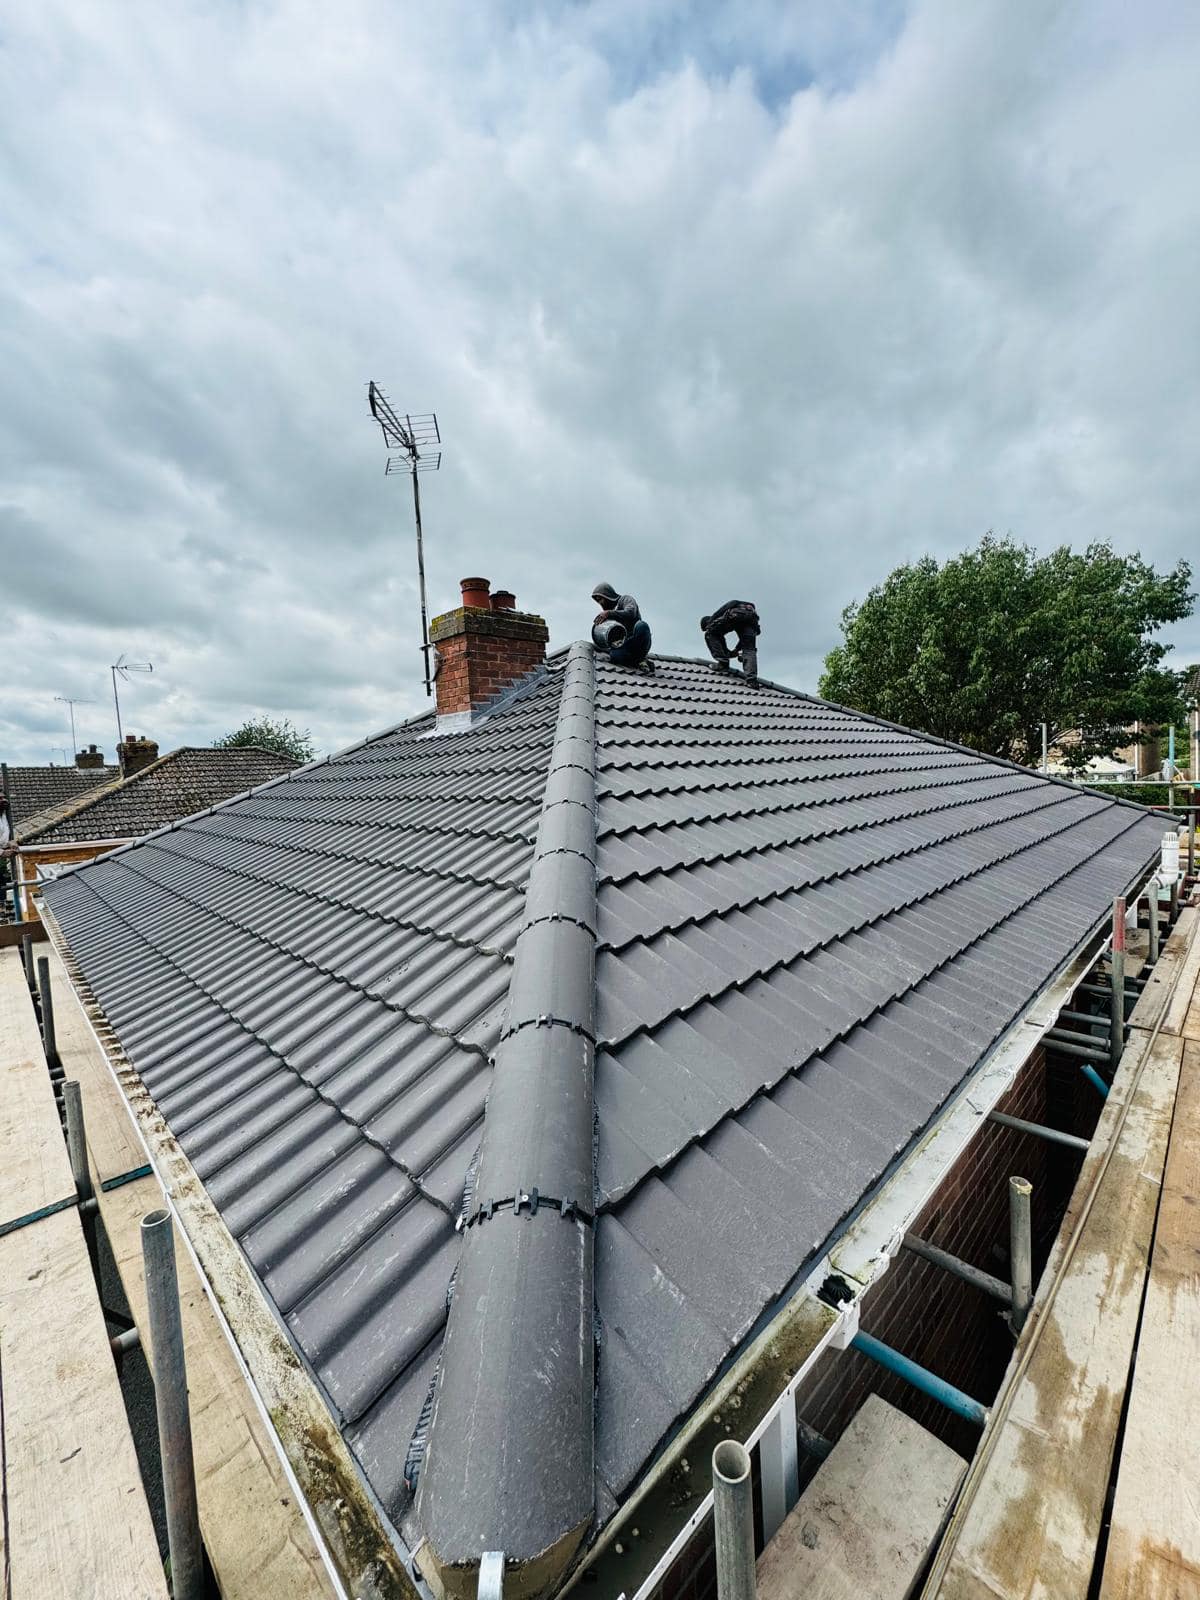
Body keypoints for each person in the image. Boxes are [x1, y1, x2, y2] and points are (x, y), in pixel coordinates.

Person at [592, 582, 654, 669]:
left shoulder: (625, 600)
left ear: (607, 595)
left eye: (601, 599)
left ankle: (640, 658)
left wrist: (610, 613)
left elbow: (631, 612)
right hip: (624, 645)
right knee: (614, 656)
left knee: (642, 626)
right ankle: (637, 661)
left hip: (637, 640)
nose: (600, 603)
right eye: (598, 601)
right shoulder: (608, 617)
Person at [701, 600, 761, 681]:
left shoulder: (732, 606)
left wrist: (711, 621)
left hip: (736, 615)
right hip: (752, 619)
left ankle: (723, 663)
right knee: (749, 650)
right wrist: (736, 650)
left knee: (710, 634)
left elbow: (729, 604)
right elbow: (745, 641)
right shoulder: (749, 611)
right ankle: (752, 681)